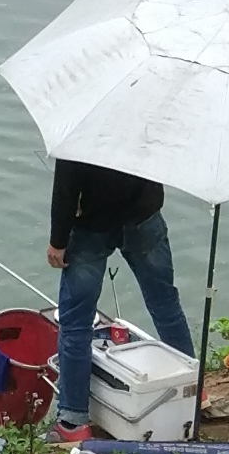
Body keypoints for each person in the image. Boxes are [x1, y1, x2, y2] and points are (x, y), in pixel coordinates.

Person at [46, 155, 191, 431]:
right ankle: (192, 393)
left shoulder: (81, 125)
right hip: (144, 217)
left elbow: (66, 186)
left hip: (92, 226)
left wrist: (58, 241)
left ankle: (73, 421)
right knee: (165, 305)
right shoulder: (142, 114)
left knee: (76, 323)